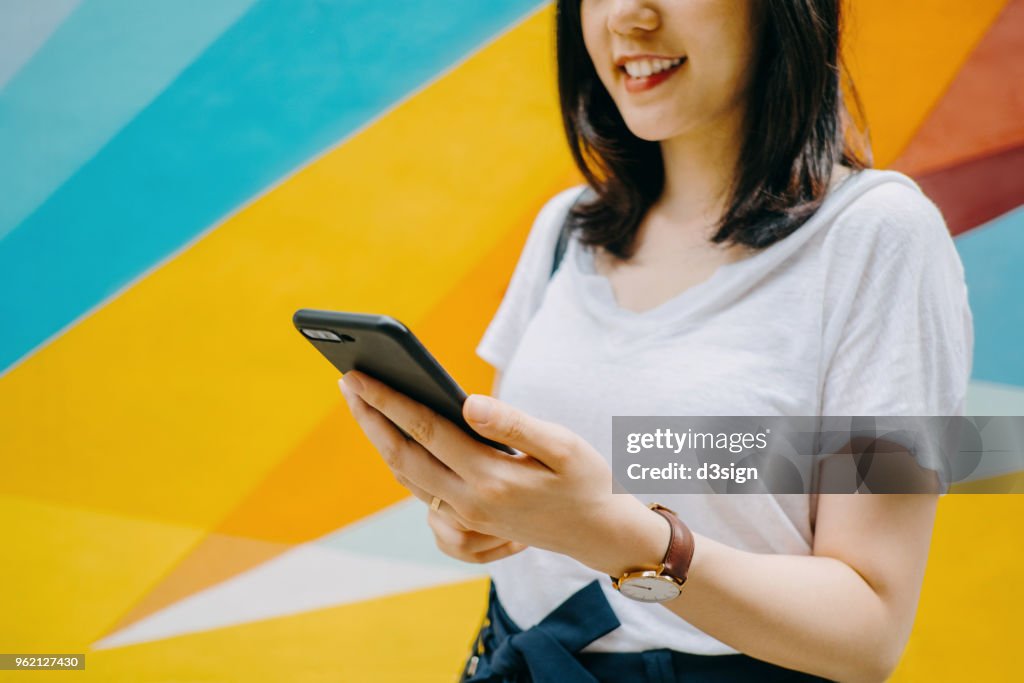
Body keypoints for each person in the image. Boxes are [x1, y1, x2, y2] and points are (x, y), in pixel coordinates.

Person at [337, 0, 973, 681]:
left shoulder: (876, 236)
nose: (627, 16)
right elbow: (537, 495)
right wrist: (471, 507)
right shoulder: (566, 230)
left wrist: (617, 538)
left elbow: (868, 634)